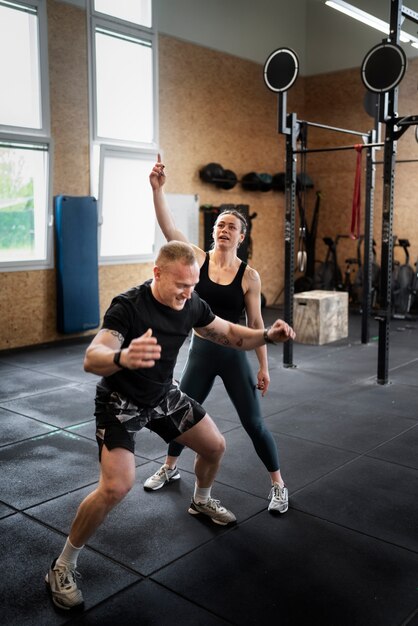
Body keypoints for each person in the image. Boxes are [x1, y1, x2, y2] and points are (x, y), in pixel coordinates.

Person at [45, 239, 295, 611]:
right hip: (121, 403)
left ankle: (201, 501)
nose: (188, 293)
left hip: (163, 396)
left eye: (192, 285)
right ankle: (62, 565)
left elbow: (230, 332)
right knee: (117, 486)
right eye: (181, 285)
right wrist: (122, 356)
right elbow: (92, 357)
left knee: (215, 446)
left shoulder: (192, 303)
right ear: (157, 273)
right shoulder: (128, 306)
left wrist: (266, 337)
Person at [144, 156, 289, 514]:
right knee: (182, 415)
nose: (224, 230)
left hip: (233, 353)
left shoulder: (249, 276)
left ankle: (279, 486)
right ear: (214, 232)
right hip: (201, 351)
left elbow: (256, 325)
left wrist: (264, 367)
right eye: (220, 225)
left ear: (242, 236)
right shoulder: (197, 259)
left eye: (231, 227)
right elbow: (170, 229)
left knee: (253, 422)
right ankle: (170, 467)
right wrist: (157, 190)